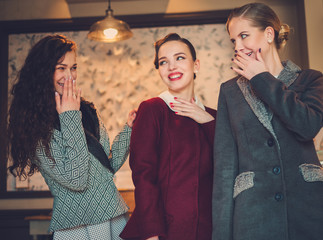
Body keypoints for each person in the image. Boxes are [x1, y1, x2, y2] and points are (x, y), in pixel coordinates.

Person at [7, 34, 136, 240]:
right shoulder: (35, 127)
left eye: (73, 67)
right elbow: (77, 180)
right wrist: (69, 117)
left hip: (113, 213)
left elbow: (107, 166)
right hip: (77, 225)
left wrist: (129, 129)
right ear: (43, 71)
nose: (70, 76)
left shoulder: (84, 110)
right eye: (61, 68)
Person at [212, 3, 323, 240]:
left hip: (307, 209)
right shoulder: (230, 92)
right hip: (253, 215)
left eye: (244, 36)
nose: (238, 47)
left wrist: (261, 77)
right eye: (234, 41)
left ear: (269, 34)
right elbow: (224, 170)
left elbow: (307, 126)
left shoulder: (311, 79)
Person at [120, 33, 217, 240]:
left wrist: (208, 121)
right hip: (164, 231)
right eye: (164, 62)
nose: (172, 66)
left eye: (180, 58)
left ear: (196, 65)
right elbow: (143, 175)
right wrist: (152, 233)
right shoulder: (152, 109)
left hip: (209, 230)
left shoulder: (214, 117)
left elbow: (229, 166)